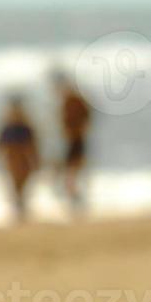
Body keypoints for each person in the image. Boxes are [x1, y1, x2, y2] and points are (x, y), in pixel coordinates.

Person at [0, 96, 40, 223]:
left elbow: (31, 145)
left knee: (20, 185)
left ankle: (20, 207)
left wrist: (34, 160)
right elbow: (0, 144)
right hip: (13, 159)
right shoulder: (10, 127)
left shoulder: (23, 127)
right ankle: (20, 208)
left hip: (21, 160)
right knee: (16, 186)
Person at [53, 71, 92, 216]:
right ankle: (76, 201)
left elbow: (85, 119)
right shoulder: (69, 102)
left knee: (71, 174)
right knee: (71, 174)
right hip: (72, 141)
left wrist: (76, 132)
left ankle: (77, 201)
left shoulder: (73, 101)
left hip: (75, 142)